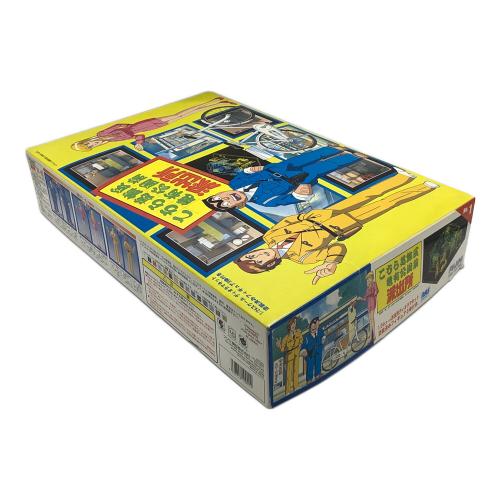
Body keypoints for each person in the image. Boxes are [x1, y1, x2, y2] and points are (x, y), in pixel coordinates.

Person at [234, 170, 439, 285]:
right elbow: (336, 248)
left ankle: (404, 178)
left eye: (252, 255)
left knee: (368, 194)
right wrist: (332, 263)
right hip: (340, 225)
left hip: (322, 214)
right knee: (386, 204)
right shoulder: (303, 258)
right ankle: (424, 188)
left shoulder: (269, 236)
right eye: (258, 261)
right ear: (269, 265)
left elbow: (287, 222)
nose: (258, 255)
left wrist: (307, 216)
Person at [203, 146, 359, 211]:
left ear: (221, 192)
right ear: (236, 206)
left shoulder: (235, 182)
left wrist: (251, 169)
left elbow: (245, 173)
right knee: (328, 166)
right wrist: (302, 194)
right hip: (298, 178)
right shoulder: (265, 202)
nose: (227, 199)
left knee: (312, 156)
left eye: (220, 197)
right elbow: (291, 199)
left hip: (280, 168)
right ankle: (354, 156)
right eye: (226, 204)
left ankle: (335, 148)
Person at [71, 96, 236, 152]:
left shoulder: (102, 134)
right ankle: (214, 103)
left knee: (180, 114)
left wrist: (130, 130)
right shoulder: (111, 141)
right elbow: (138, 136)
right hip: (147, 128)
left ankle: (215, 102)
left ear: (88, 140)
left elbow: (120, 126)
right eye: (91, 146)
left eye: (89, 143)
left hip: (141, 124)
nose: (93, 144)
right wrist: (138, 143)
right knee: (180, 116)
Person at [276, 317, 304, 395]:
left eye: (294, 323)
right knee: (289, 374)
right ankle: (287, 391)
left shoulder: (298, 332)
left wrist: (300, 344)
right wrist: (279, 345)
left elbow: (301, 339)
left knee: (296, 371)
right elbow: (282, 349)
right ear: (289, 326)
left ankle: (296, 386)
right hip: (289, 357)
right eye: (291, 324)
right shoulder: (286, 338)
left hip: (296, 354)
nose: (293, 325)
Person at [300, 317, 325, 383]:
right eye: (312, 327)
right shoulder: (307, 337)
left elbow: (322, 338)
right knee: (310, 366)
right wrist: (303, 350)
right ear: (310, 328)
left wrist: (322, 340)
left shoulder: (319, 332)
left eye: (315, 326)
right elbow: (304, 345)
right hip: (310, 354)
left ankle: (317, 375)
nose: (313, 328)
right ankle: (309, 379)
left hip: (318, 351)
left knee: (318, 362)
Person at [361, 271, 378, 341]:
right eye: (367, 279)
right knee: (370, 320)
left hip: (372, 301)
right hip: (369, 303)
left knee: (372, 319)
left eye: (369, 278)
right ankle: (371, 335)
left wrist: (371, 292)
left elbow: (376, 292)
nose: (368, 280)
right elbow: (365, 298)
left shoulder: (374, 284)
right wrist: (359, 298)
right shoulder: (367, 288)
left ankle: (374, 335)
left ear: (372, 278)